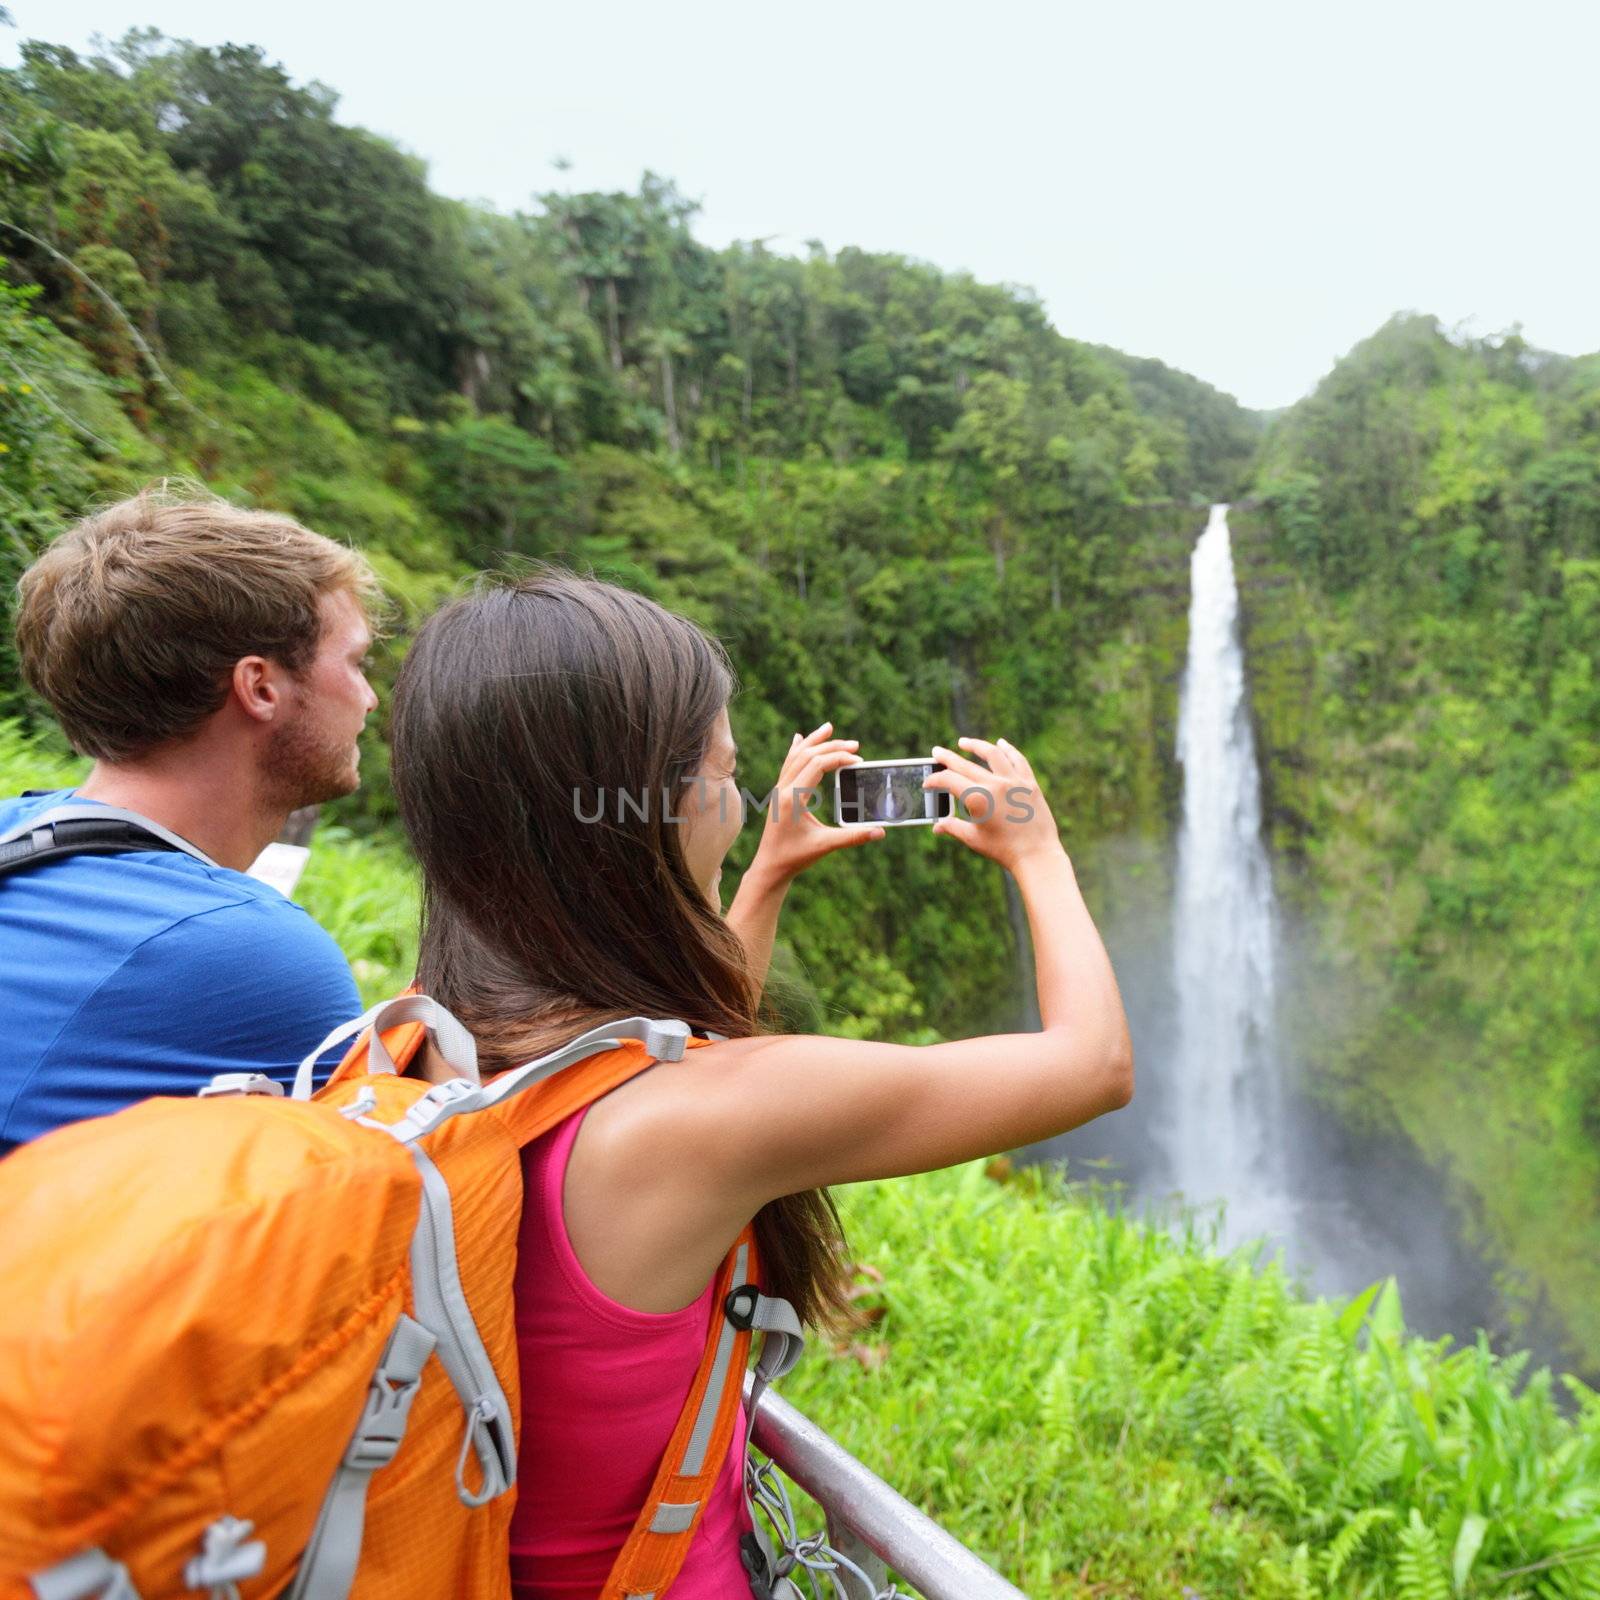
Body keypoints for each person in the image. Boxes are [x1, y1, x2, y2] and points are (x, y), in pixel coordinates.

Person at [388, 570, 1134, 1600]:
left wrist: (767, 871)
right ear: (639, 813)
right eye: (727, 775)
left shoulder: (428, 1036)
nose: (740, 805)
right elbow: (1091, 1063)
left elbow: (667, 1051)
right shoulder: (702, 1123)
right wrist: (1038, 851)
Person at [0, 485, 380, 1156]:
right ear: (260, 687)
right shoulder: (250, 956)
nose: (370, 698)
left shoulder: (12, 830)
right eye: (354, 662)